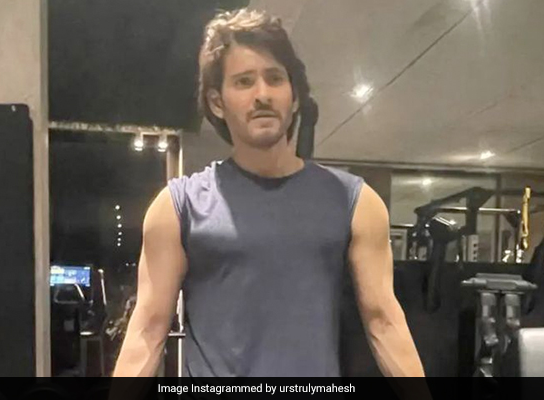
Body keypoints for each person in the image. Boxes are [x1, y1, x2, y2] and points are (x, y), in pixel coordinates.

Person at [113, 8, 424, 378]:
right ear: (217, 102)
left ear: (294, 97)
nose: (262, 94)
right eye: (244, 82)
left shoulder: (355, 203)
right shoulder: (178, 208)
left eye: (274, 78)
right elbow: (147, 332)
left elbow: (384, 322)